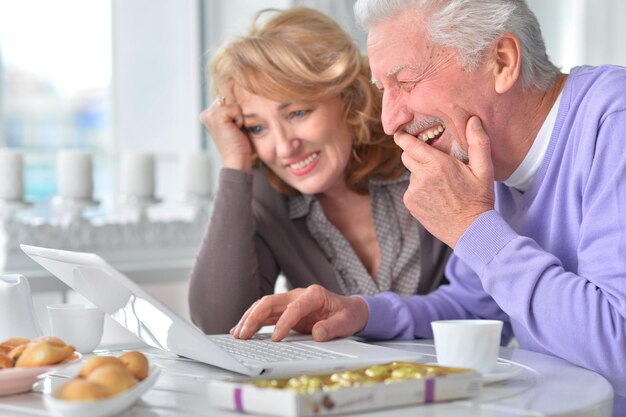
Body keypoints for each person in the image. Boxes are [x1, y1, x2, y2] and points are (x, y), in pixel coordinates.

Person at [230, 1, 626, 415]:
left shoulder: (615, 120)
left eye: (407, 81)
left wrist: (472, 226)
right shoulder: (483, 158)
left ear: (502, 61)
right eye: (385, 90)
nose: (389, 121)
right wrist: (359, 312)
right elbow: (474, 305)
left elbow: (618, 347)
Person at [188, 7, 451, 335]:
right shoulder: (267, 196)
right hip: (340, 385)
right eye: (257, 129)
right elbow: (218, 322)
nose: (284, 148)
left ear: (347, 97)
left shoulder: (424, 155)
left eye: (297, 113)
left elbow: (483, 305)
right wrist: (234, 164)